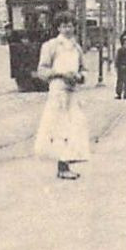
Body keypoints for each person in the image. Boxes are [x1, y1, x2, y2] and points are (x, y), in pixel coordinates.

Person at [34, 12, 90, 180]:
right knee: (59, 128)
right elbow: (42, 71)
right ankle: (62, 166)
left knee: (74, 128)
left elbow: (84, 70)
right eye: (64, 25)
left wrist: (79, 77)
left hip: (72, 92)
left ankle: (67, 163)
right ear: (58, 27)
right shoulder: (50, 46)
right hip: (58, 92)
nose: (67, 29)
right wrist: (60, 74)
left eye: (70, 25)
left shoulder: (77, 47)